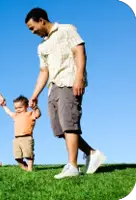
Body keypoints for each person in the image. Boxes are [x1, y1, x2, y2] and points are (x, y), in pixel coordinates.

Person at [25, 8, 106, 179]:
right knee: (60, 129)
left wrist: (79, 78)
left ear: (41, 20)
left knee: (69, 123)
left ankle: (73, 166)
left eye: (32, 28)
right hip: (52, 87)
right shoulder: (42, 46)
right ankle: (92, 153)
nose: (32, 32)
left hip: (69, 81)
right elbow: (43, 72)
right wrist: (34, 95)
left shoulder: (66, 29)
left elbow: (79, 52)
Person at [3, 95, 41, 171]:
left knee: (28, 155)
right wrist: (4, 106)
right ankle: (24, 167)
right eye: (16, 108)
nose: (18, 109)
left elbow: (38, 114)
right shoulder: (15, 115)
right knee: (17, 157)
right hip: (16, 139)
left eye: (20, 107)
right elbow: (9, 112)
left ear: (26, 106)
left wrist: (35, 107)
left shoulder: (30, 114)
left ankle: (30, 169)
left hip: (26, 138)